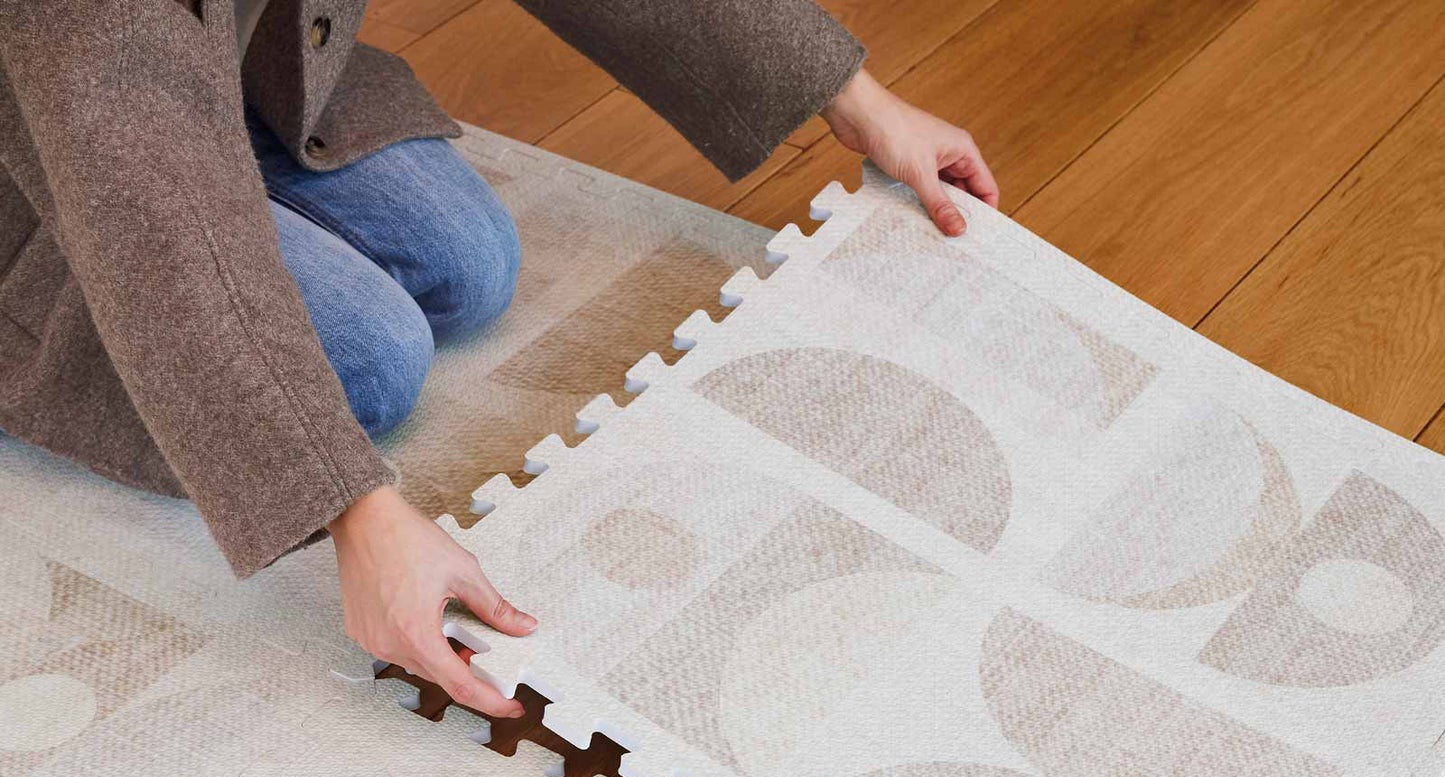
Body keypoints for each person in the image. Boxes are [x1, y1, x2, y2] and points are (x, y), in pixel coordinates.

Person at [0, 1, 997, 718]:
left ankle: (221, 142)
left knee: (468, 265)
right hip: (58, 122)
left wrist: (852, 98)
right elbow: (155, 214)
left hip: (218, 61)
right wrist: (357, 512)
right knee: (370, 365)